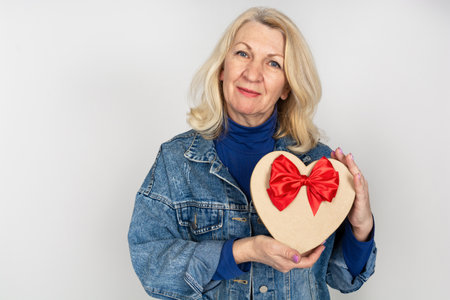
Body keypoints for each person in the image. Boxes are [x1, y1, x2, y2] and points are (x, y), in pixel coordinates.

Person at [128, 7, 376, 300]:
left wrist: (361, 226)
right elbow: (150, 263)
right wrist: (244, 250)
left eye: (273, 63)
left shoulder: (320, 167)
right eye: (243, 54)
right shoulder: (175, 161)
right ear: (222, 68)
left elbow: (344, 279)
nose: (252, 73)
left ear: (287, 86)